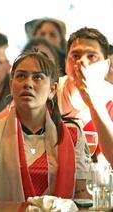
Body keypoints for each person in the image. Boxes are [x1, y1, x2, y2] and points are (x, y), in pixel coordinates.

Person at [0, 51, 89, 203]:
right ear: (11, 84)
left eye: (37, 77)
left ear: (52, 90)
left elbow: (82, 199)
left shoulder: (73, 133)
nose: (28, 83)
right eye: (21, 76)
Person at [57, 27, 113, 164]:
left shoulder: (110, 99)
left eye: (92, 56)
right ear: (66, 63)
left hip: (99, 182)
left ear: (106, 66)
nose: (81, 62)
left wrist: (93, 102)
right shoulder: (49, 92)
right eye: (75, 55)